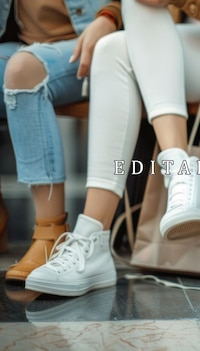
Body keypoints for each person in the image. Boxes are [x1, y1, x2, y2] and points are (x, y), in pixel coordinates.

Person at [23, 0, 200, 296]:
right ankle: (94, 234)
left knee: (118, 45)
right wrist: (108, 16)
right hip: (173, 45)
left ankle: (169, 178)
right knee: (112, 47)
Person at [1, 0, 119, 282]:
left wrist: (111, 16)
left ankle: (50, 232)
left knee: (23, 70)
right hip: (25, 46)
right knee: (23, 63)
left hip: (95, 43)